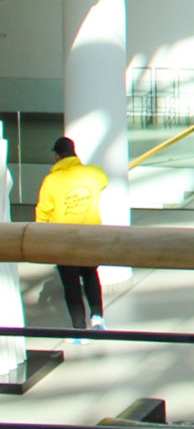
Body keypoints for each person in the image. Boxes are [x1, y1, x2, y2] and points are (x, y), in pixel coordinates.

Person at [36, 137, 108, 337]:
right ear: (74, 153)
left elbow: (43, 212)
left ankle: (79, 330)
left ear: (57, 156)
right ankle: (98, 318)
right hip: (91, 237)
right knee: (91, 276)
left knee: (71, 286)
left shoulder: (51, 181)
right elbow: (104, 182)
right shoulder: (94, 173)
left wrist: (41, 236)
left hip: (64, 240)